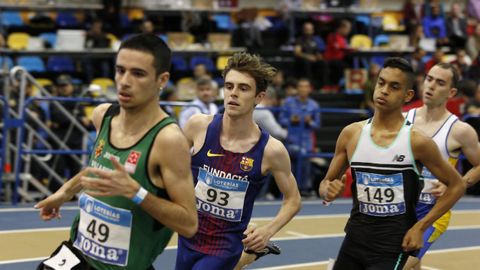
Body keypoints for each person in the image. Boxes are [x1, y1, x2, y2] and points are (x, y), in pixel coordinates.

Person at [35, 33, 198, 270]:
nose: (124, 81)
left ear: (161, 80)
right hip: (78, 255)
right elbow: (99, 169)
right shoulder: (103, 115)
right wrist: (65, 191)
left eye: (138, 73)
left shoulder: (168, 140)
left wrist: (136, 192)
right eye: (120, 70)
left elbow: (189, 224)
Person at [319, 57, 465, 270]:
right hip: (354, 240)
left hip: (393, 246)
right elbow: (326, 183)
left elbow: (457, 185)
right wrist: (327, 191)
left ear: (407, 95)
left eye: (394, 86)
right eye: (381, 82)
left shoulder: (417, 142)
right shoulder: (351, 134)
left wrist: (421, 227)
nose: (384, 90)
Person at [175, 52, 302, 270]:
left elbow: (293, 200)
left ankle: (243, 255)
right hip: (189, 235)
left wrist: (267, 230)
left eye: (243, 88)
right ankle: (248, 257)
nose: (233, 94)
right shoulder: (198, 126)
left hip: (226, 244)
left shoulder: (271, 150)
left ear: (258, 97)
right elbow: (171, 167)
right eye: (229, 86)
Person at [403, 63, 480, 269]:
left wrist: (456, 183)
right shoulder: (403, 119)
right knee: (411, 264)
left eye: (440, 83)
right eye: (429, 79)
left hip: (433, 212)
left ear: (451, 92)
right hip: (401, 209)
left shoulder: (460, 131)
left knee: (397, 264)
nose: (431, 86)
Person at [48, 74, 91, 192]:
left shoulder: (77, 100)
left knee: (75, 170)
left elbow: (86, 121)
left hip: (75, 140)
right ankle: (54, 195)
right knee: (58, 169)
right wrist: (77, 117)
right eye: (61, 86)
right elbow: (60, 118)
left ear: (71, 86)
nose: (64, 88)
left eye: (66, 85)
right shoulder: (54, 101)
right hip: (60, 140)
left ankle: (74, 195)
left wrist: (75, 117)